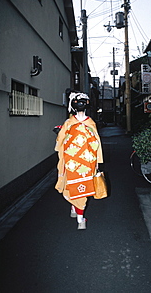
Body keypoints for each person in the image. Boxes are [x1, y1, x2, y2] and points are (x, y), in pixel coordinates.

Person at [55, 92, 103, 230]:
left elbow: (60, 141)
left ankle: (79, 216)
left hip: (70, 162)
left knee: (70, 186)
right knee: (83, 187)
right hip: (87, 162)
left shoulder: (69, 122)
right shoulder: (91, 123)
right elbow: (97, 143)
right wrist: (97, 160)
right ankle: (79, 217)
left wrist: (59, 135)